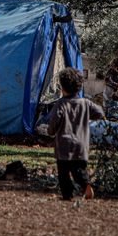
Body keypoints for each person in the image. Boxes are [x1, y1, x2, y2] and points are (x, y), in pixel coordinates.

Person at [47, 67, 104, 201]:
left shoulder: (60, 104)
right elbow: (100, 112)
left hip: (63, 146)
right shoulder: (85, 103)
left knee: (63, 173)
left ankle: (67, 195)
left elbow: (54, 121)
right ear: (79, 87)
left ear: (62, 87)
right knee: (79, 170)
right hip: (81, 145)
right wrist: (88, 116)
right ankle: (86, 185)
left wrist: (50, 131)